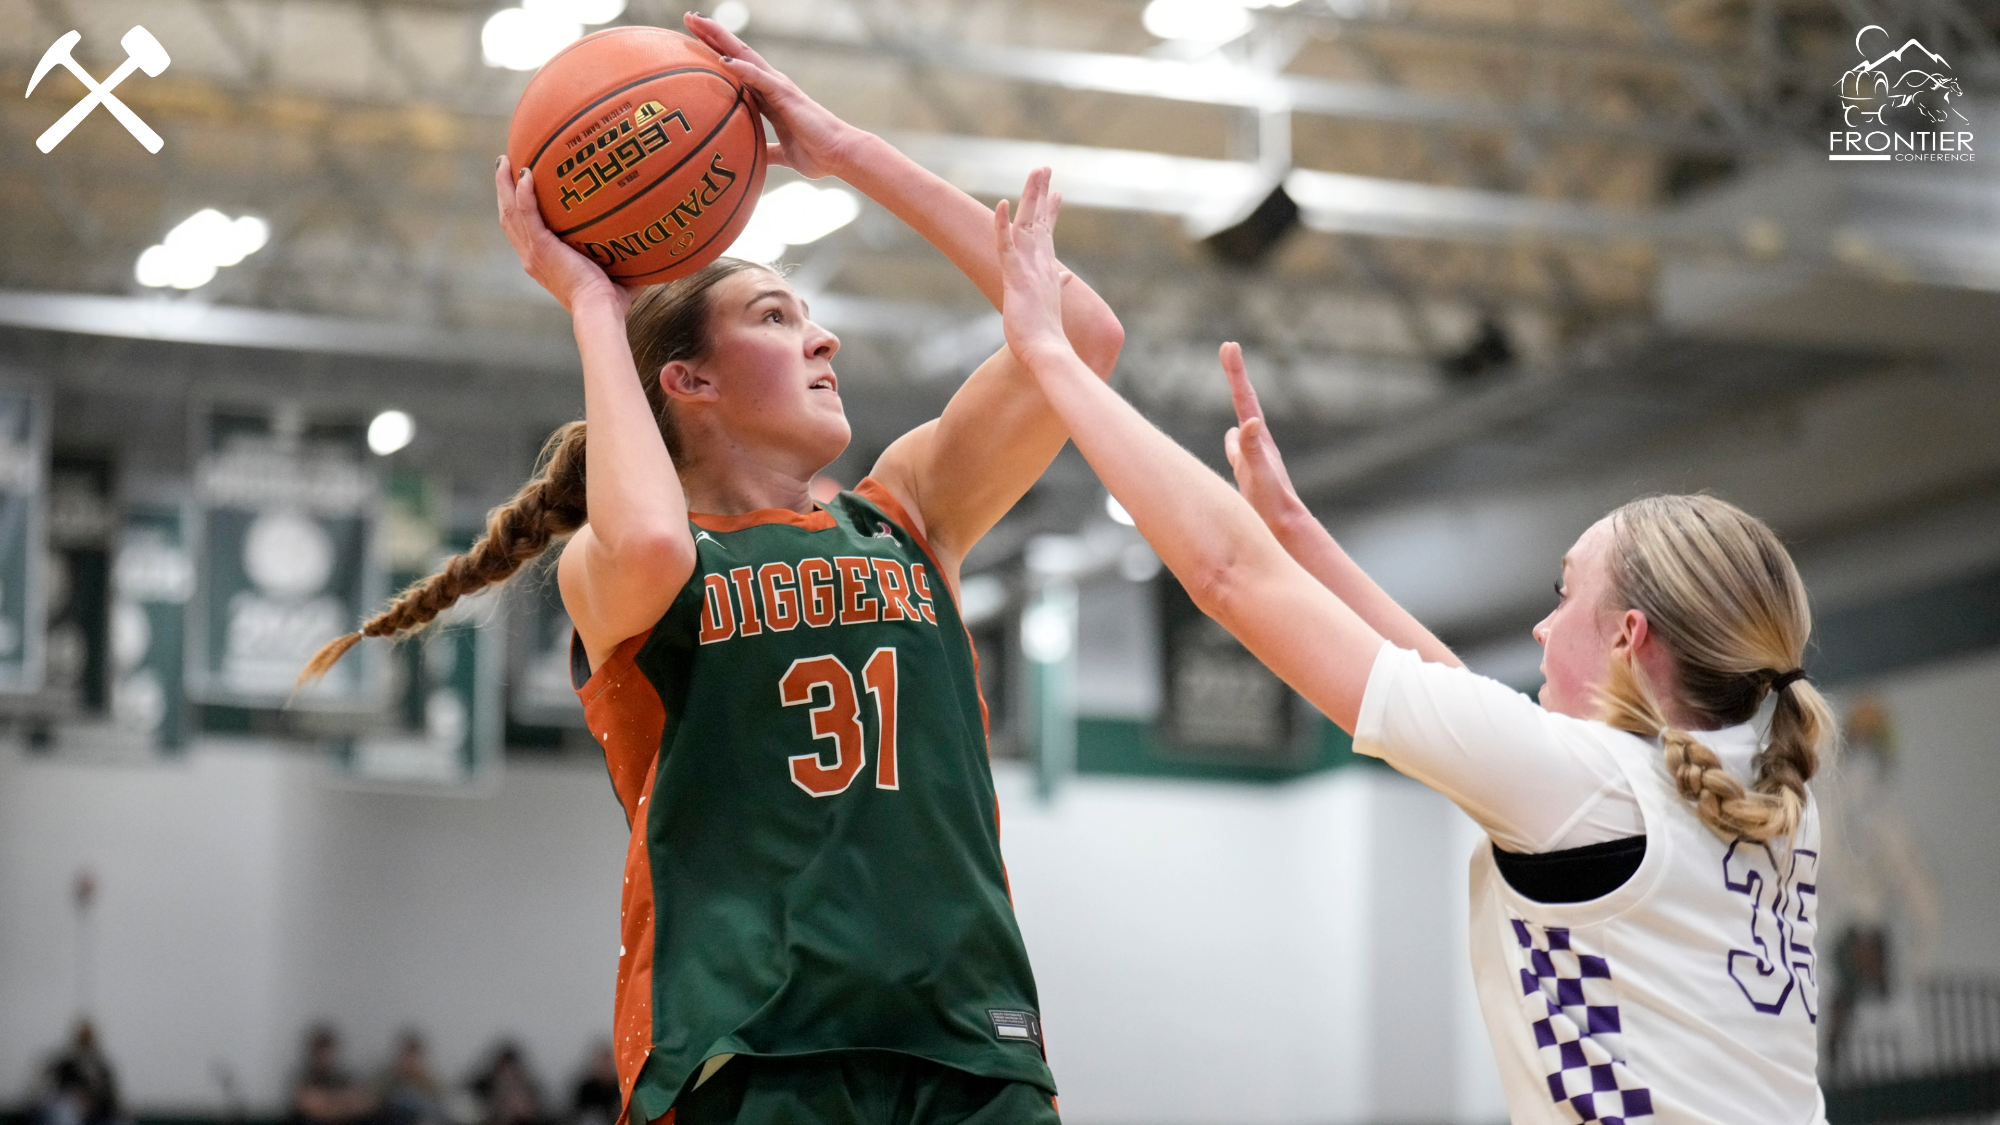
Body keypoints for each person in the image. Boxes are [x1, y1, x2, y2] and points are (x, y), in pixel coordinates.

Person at [299, 12, 1122, 1125]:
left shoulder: (907, 511)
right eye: (778, 318)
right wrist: (595, 305)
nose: (824, 341)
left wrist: (845, 152)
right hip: (746, 1048)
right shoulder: (622, 570)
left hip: (968, 1044)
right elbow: (646, 539)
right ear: (686, 382)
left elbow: (1078, 335)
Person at [992, 174, 1833, 1123]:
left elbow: (1226, 576)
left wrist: (1049, 357)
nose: (1543, 627)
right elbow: (1463, 701)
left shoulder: (1594, 789)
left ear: (1631, 639)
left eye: (1566, 599)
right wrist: (1301, 534)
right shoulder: (1766, 797)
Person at [36, 1020, 121, 1125]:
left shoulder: (102, 1067)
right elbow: (51, 1088)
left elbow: (111, 1098)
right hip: (70, 1109)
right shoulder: (65, 1064)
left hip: (98, 1113)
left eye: (88, 1039)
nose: (86, 1043)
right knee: (65, 1112)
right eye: (83, 1039)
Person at [291, 1025, 377, 1125]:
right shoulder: (303, 1076)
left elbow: (365, 1103)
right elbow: (312, 1107)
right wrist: (343, 1104)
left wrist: (330, 1104)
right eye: (321, 1051)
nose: (325, 1055)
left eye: (328, 1051)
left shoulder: (343, 1076)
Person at [378, 1030, 447, 1125]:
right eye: (407, 1056)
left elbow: (440, 1112)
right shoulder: (386, 1080)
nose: (410, 1062)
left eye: (414, 1057)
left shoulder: (432, 1085)